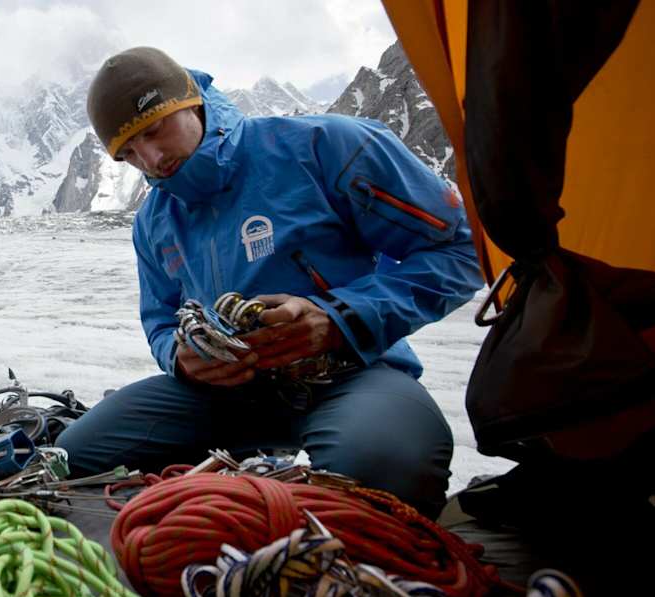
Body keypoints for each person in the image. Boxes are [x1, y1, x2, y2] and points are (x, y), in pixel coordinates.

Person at [56, 47, 484, 516]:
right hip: (222, 395)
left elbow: (460, 249)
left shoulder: (324, 146)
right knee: (71, 457)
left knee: (382, 465)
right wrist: (180, 359)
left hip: (351, 374)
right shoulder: (155, 220)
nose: (152, 159)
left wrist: (338, 317)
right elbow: (160, 318)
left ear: (190, 101)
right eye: (129, 154)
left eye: (154, 130)